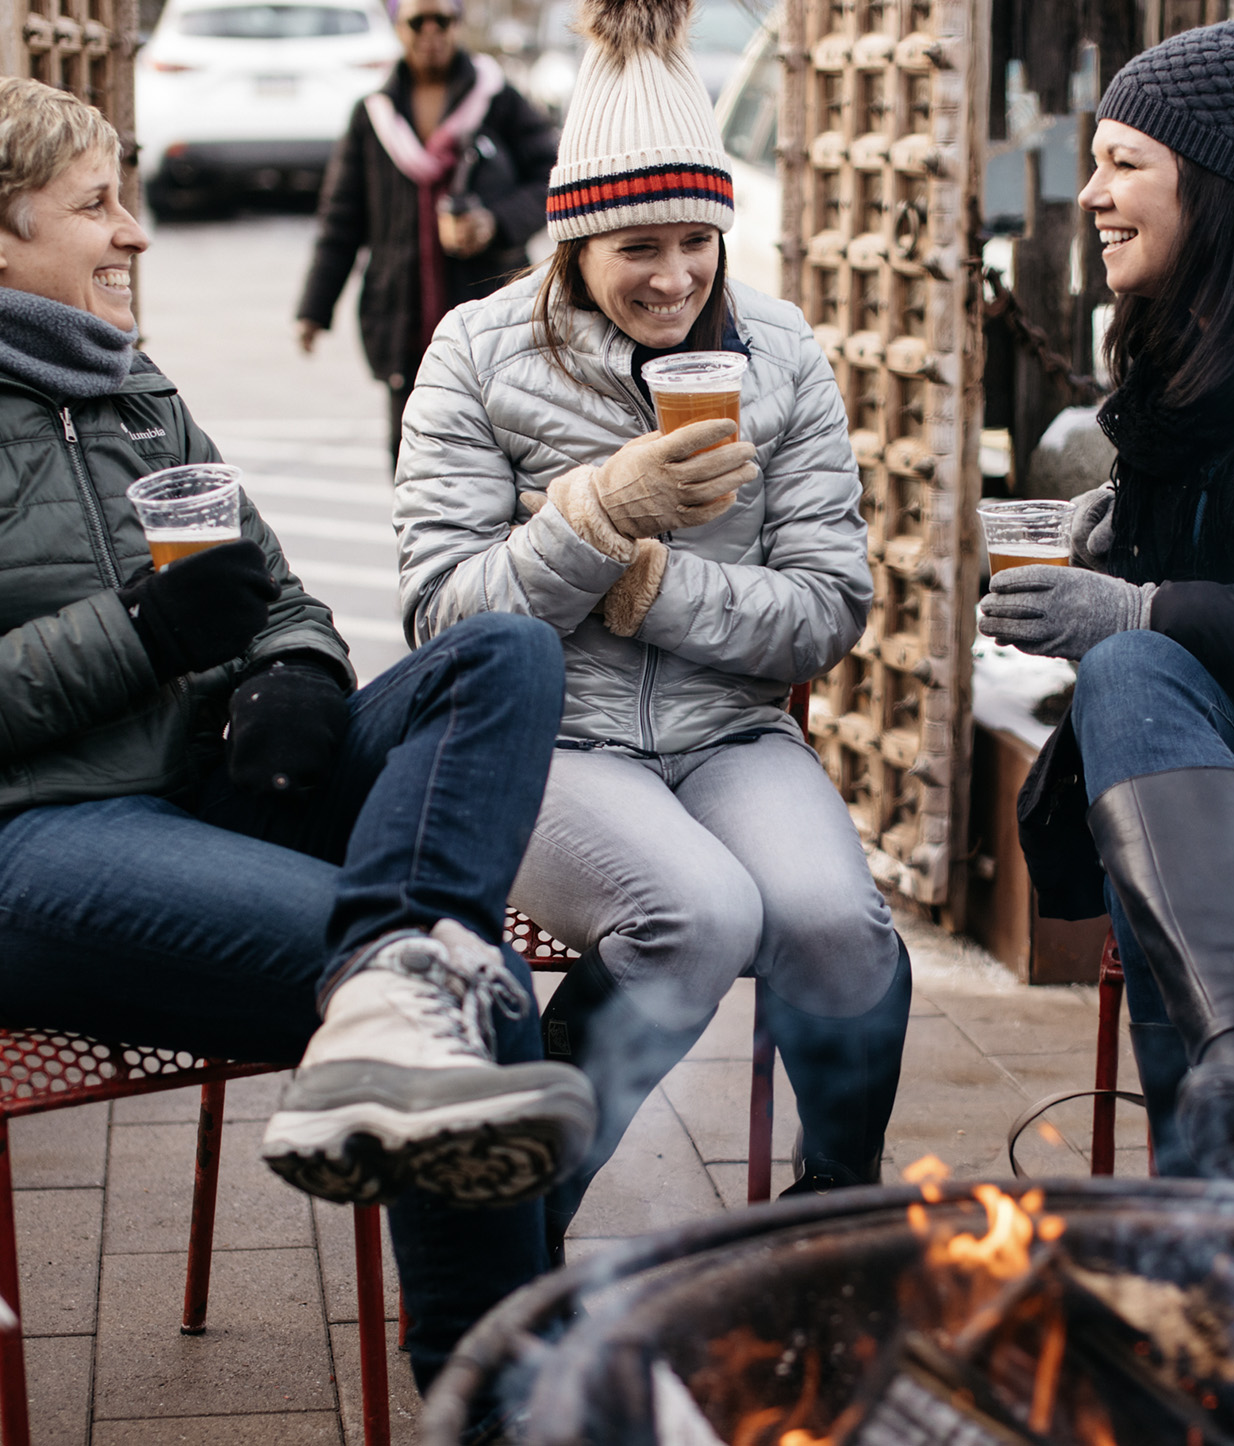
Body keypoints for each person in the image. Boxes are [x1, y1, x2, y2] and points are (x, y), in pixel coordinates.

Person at [0, 76, 596, 1400]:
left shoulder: (128, 387)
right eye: (98, 204)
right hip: (44, 839)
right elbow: (155, 622)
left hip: (212, 785)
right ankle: (487, 1394)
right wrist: (143, 634)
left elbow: (270, 588)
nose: (136, 232)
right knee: (479, 982)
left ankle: (391, 960)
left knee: (505, 648)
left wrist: (295, 675)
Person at [395, 0, 912, 1259]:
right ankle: (517, 1228)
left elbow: (831, 607)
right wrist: (594, 517)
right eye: (639, 244)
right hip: (546, 743)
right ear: (573, 242)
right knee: (698, 913)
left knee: (837, 924)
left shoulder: (780, 350)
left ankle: (833, 1216)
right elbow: (437, 619)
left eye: (699, 240)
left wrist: (660, 592)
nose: (676, 277)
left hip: (729, 731)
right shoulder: (474, 353)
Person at [980, 19, 1234, 1182]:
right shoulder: (1180, 357)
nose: (1092, 194)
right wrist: (1120, 535)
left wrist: (1141, 608)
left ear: (1221, 190)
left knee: (1132, 675)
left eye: (1125, 163)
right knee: (1130, 702)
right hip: (1217, 805)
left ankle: (1216, 1160)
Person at [295, 0, 560, 465]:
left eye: (444, 20)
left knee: (500, 448)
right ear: (398, 27)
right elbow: (342, 218)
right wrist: (314, 310)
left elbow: (551, 177)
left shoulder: (497, 99)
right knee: (412, 456)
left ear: (459, 24)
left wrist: (494, 222)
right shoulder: (374, 116)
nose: (432, 32)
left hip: (489, 309)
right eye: (419, 22)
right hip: (404, 319)